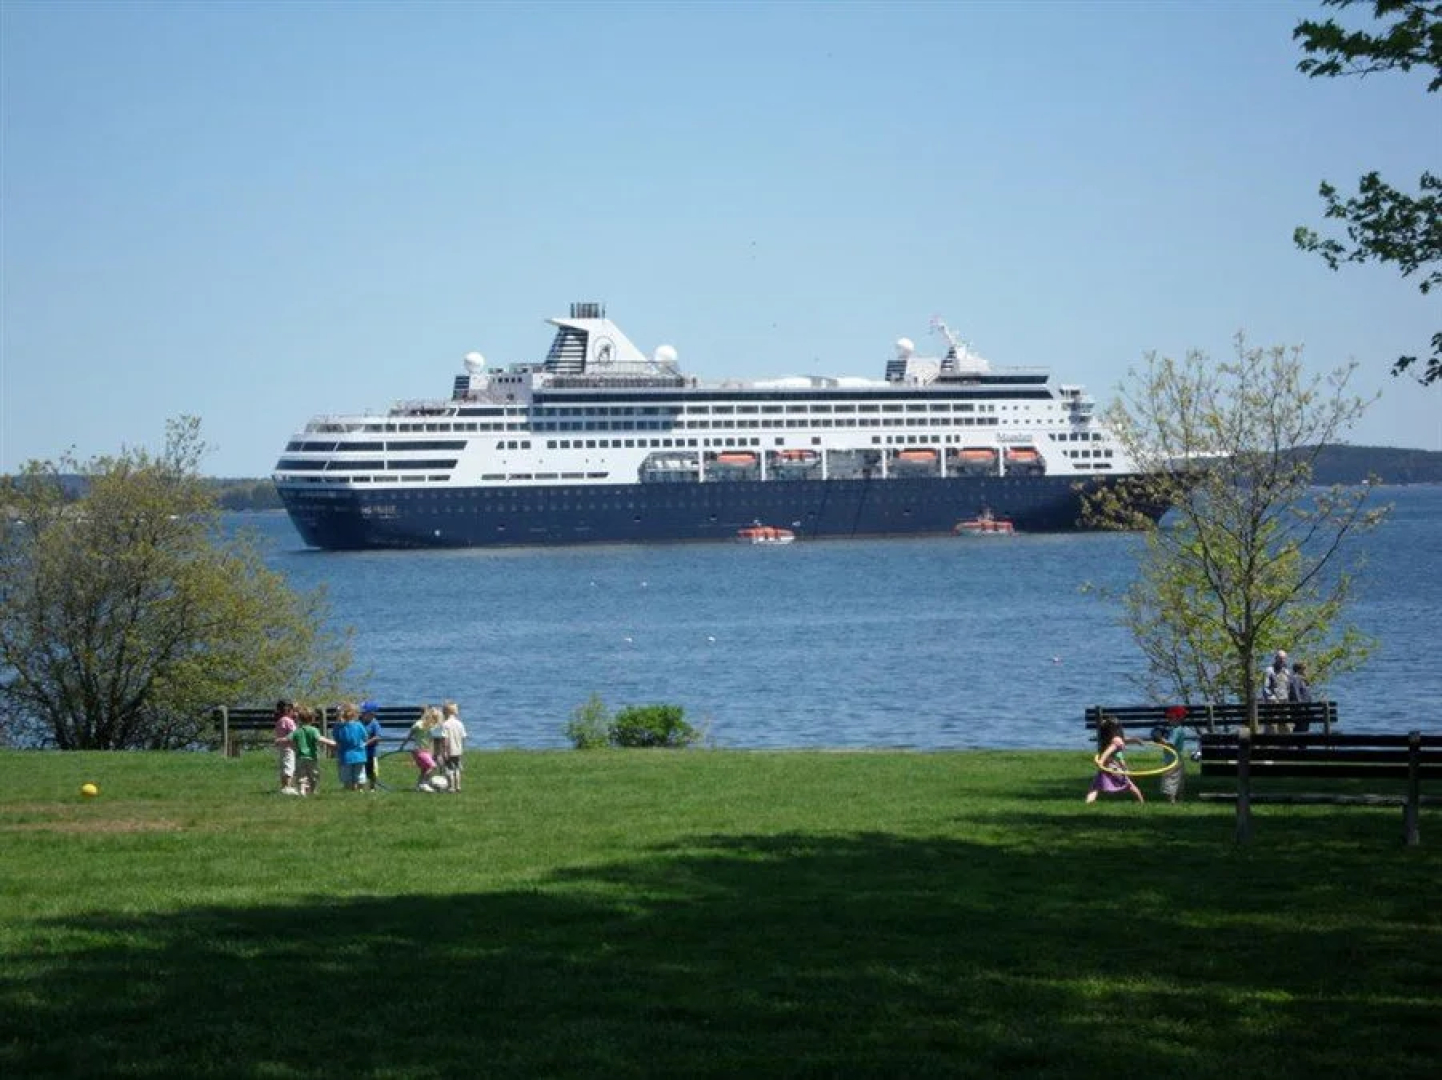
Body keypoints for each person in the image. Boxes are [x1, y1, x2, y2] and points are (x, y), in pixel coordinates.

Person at [1086, 716, 1144, 804]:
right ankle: (1142, 803)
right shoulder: (1116, 740)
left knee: (1095, 786)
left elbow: (1123, 740)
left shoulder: (1108, 737)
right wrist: (1101, 760)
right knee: (1129, 784)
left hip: (1106, 765)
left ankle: (1088, 803)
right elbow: (1110, 749)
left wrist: (1135, 740)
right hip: (1111, 766)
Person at [321, 703, 371, 792]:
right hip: (359, 755)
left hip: (345, 755)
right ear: (355, 714)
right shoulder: (359, 725)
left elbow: (336, 739)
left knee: (347, 776)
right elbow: (365, 737)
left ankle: (349, 790)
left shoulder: (338, 727)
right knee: (359, 775)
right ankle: (359, 790)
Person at [292, 705, 323, 796]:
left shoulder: (297, 731)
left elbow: (288, 738)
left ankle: (302, 790)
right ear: (313, 719)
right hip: (312, 757)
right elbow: (320, 739)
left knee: (301, 775)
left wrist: (279, 740)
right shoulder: (314, 730)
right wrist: (332, 743)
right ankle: (313, 790)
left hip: (300, 757)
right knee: (313, 775)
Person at [438, 701, 467, 794]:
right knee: (457, 768)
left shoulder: (445, 724)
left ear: (445, 713)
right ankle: (458, 786)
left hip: (449, 750)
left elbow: (445, 739)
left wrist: (444, 751)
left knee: (449, 768)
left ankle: (451, 787)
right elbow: (463, 737)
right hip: (458, 750)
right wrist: (462, 748)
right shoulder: (460, 723)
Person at [272, 700, 298, 795]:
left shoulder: (280, 721)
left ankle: (284, 786)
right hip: (290, 748)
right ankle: (288, 786)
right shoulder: (288, 721)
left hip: (282, 748)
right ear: (288, 711)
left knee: (284, 766)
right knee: (289, 767)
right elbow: (294, 735)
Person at [361, 701, 383, 791]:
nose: (362, 713)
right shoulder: (360, 722)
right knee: (362, 769)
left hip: (371, 751)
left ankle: (372, 787)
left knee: (372, 769)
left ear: (371, 713)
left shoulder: (374, 723)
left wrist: (366, 743)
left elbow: (378, 737)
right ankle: (361, 786)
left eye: (364, 711)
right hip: (362, 751)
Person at [1289, 660, 1313, 732]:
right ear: (1299, 669)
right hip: (1300, 711)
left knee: (1305, 730)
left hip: (1305, 711)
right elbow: (1295, 694)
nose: (1306, 671)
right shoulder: (1295, 678)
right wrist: (1301, 707)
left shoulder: (1303, 679)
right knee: (1301, 730)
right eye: (1305, 669)